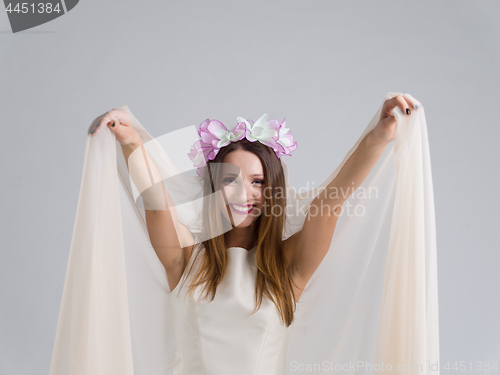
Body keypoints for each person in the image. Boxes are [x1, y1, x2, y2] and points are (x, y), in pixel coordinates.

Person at [50, 93, 439, 375]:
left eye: (257, 182)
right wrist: (131, 141)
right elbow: (157, 202)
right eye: (230, 180)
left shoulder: (287, 268)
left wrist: (379, 135)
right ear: (213, 188)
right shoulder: (185, 260)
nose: (243, 194)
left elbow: (330, 204)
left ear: (271, 191)